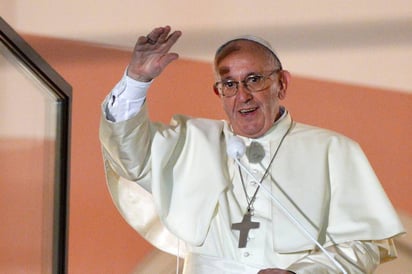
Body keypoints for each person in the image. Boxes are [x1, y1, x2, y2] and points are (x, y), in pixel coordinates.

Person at [99, 26, 404, 273]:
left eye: (254, 80)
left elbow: (364, 244)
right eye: (229, 84)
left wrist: (303, 273)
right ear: (219, 93)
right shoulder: (190, 141)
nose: (241, 95)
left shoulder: (333, 150)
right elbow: (129, 156)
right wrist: (137, 80)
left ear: (281, 85)